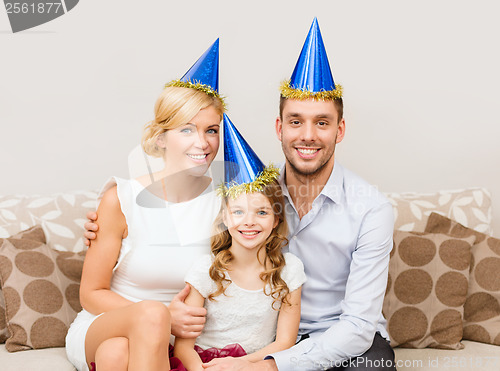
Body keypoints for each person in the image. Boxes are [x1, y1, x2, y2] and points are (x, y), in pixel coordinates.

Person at [86, 19, 396, 371]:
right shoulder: (249, 196)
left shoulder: (371, 210)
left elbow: (357, 328)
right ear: (279, 128)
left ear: (339, 130)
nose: (307, 135)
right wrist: (106, 222)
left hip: (335, 337)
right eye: (295, 121)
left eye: (322, 123)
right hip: (262, 338)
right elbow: (175, 211)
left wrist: (267, 365)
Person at [66, 40, 226, 371]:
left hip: (176, 336)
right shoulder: (121, 199)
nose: (204, 142)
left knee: (116, 356)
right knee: (150, 313)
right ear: (160, 138)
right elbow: (91, 293)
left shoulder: (227, 203)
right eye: (187, 129)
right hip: (108, 319)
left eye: (212, 130)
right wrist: (163, 316)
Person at [173, 114, 306, 371]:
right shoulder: (205, 271)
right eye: (238, 212)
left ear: (277, 218)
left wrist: (238, 365)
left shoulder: (290, 270)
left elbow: (285, 342)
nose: (249, 222)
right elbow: (183, 348)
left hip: (253, 365)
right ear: (224, 217)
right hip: (201, 366)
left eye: (262, 212)